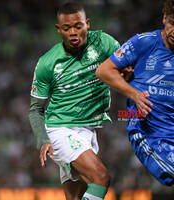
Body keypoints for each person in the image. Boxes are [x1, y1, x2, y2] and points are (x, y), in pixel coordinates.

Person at [29, 2, 122, 200]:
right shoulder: (47, 63)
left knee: (75, 198)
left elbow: (126, 69)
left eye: (77, 26)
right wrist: (42, 139)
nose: (73, 32)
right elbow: (35, 110)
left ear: (87, 24)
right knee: (101, 177)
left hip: (88, 130)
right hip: (60, 130)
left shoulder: (103, 43)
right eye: (66, 28)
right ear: (58, 29)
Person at [96, 0, 174, 187]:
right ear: (164, 18)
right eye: (173, 23)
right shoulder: (144, 42)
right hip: (149, 135)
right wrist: (134, 94)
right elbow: (103, 71)